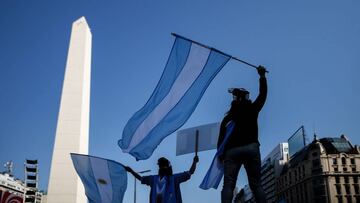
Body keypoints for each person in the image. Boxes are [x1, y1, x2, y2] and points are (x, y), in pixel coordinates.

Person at [217, 66, 268, 203]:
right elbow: (262, 95)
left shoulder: (228, 118)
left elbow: (221, 139)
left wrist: (220, 155)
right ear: (246, 98)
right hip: (251, 148)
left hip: (231, 151)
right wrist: (262, 76)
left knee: (228, 185)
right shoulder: (252, 109)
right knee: (256, 185)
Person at [125, 155, 199, 203]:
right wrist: (194, 162)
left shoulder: (154, 179)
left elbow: (141, 178)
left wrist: (131, 171)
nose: (163, 168)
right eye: (162, 166)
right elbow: (190, 172)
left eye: (162, 166)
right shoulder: (174, 178)